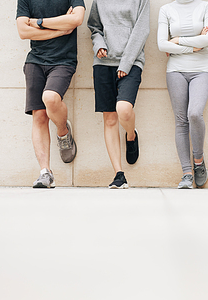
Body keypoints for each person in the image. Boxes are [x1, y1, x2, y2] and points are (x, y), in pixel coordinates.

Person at [16, 0, 85, 188]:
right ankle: (45, 172)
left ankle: (63, 132)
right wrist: (60, 29)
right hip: (35, 60)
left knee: (51, 97)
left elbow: (77, 19)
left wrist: (38, 22)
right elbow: (23, 31)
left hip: (63, 60)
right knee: (39, 115)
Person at [88, 0, 150, 189]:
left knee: (123, 109)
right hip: (103, 63)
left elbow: (142, 31)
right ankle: (119, 174)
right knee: (109, 118)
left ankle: (131, 135)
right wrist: (98, 45)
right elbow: (94, 27)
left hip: (131, 63)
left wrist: (125, 63)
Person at [157, 0, 208, 189]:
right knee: (181, 120)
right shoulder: (166, 9)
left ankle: (198, 161)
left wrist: (177, 41)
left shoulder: (206, 6)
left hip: (202, 68)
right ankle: (187, 174)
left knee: (194, 113)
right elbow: (161, 44)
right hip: (176, 70)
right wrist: (193, 46)